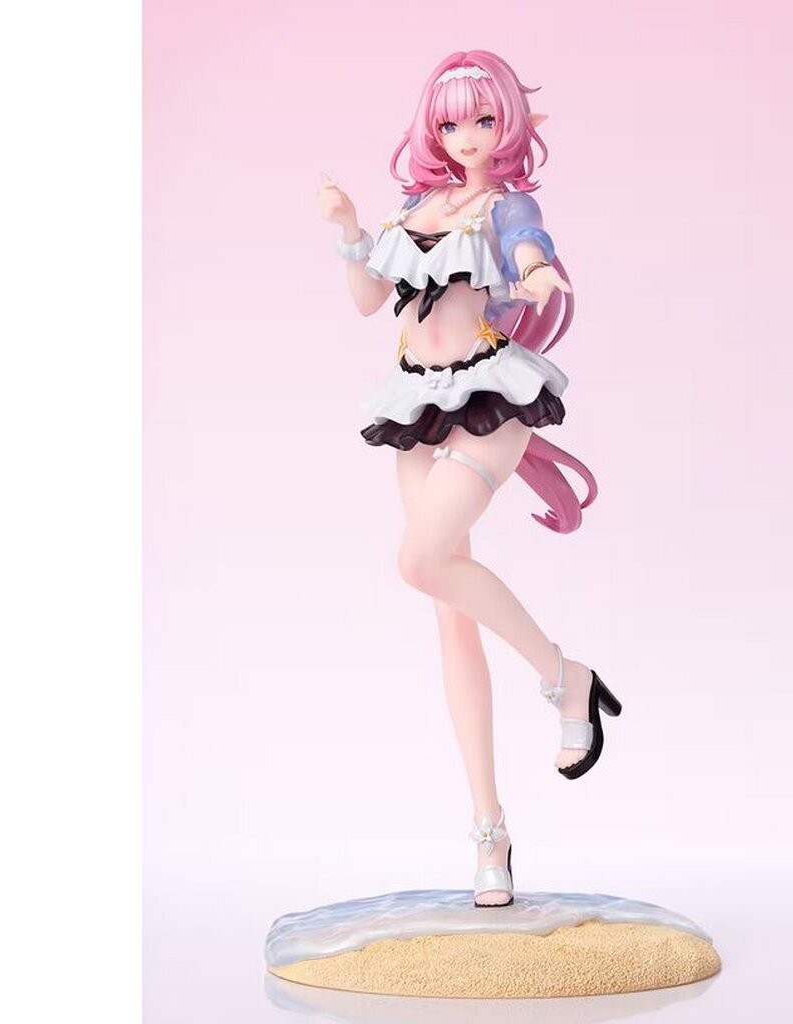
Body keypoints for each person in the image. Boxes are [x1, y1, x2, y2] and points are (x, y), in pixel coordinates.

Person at [317, 50, 622, 908]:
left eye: (484, 119)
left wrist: (538, 270)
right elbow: (367, 301)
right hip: (417, 401)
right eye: (452, 121)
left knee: (419, 561)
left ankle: (564, 678)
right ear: (433, 127)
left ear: (507, 125)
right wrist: (349, 228)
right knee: (448, 611)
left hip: (490, 396)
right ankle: (490, 834)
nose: (468, 135)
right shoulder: (414, 207)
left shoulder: (506, 203)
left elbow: (530, 248)